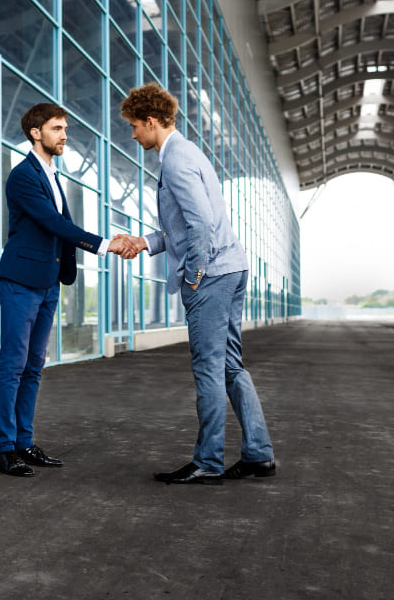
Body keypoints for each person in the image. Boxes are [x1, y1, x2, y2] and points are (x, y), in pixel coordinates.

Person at [116, 83, 276, 485]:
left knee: (208, 368)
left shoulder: (175, 160)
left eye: (135, 126)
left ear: (151, 122)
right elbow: (185, 226)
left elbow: (201, 224)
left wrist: (194, 276)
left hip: (213, 275)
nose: (133, 134)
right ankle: (258, 454)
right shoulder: (189, 153)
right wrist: (146, 242)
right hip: (232, 269)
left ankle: (207, 461)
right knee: (230, 366)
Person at [0, 103, 132, 477]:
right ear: (35, 133)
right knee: (13, 365)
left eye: (65, 127)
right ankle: (3, 449)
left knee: (35, 365)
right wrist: (105, 244)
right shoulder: (23, 176)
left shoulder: (52, 175)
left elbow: (59, 226)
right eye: (56, 128)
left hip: (48, 282)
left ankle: (23, 441)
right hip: (21, 280)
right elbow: (53, 223)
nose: (64, 134)